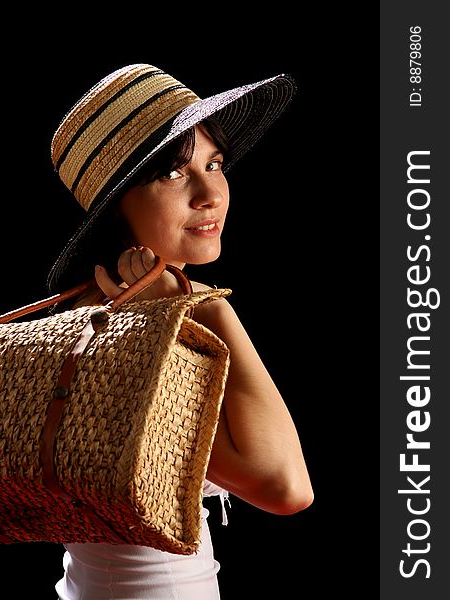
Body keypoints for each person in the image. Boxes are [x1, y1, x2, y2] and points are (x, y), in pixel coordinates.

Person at [47, 63, 314, 600]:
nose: (210, 195)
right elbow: (285, 487)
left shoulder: (87, 320)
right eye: (172, 173)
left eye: (215, 164)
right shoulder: (125, 336)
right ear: (114, 210)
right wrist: (213, 310)